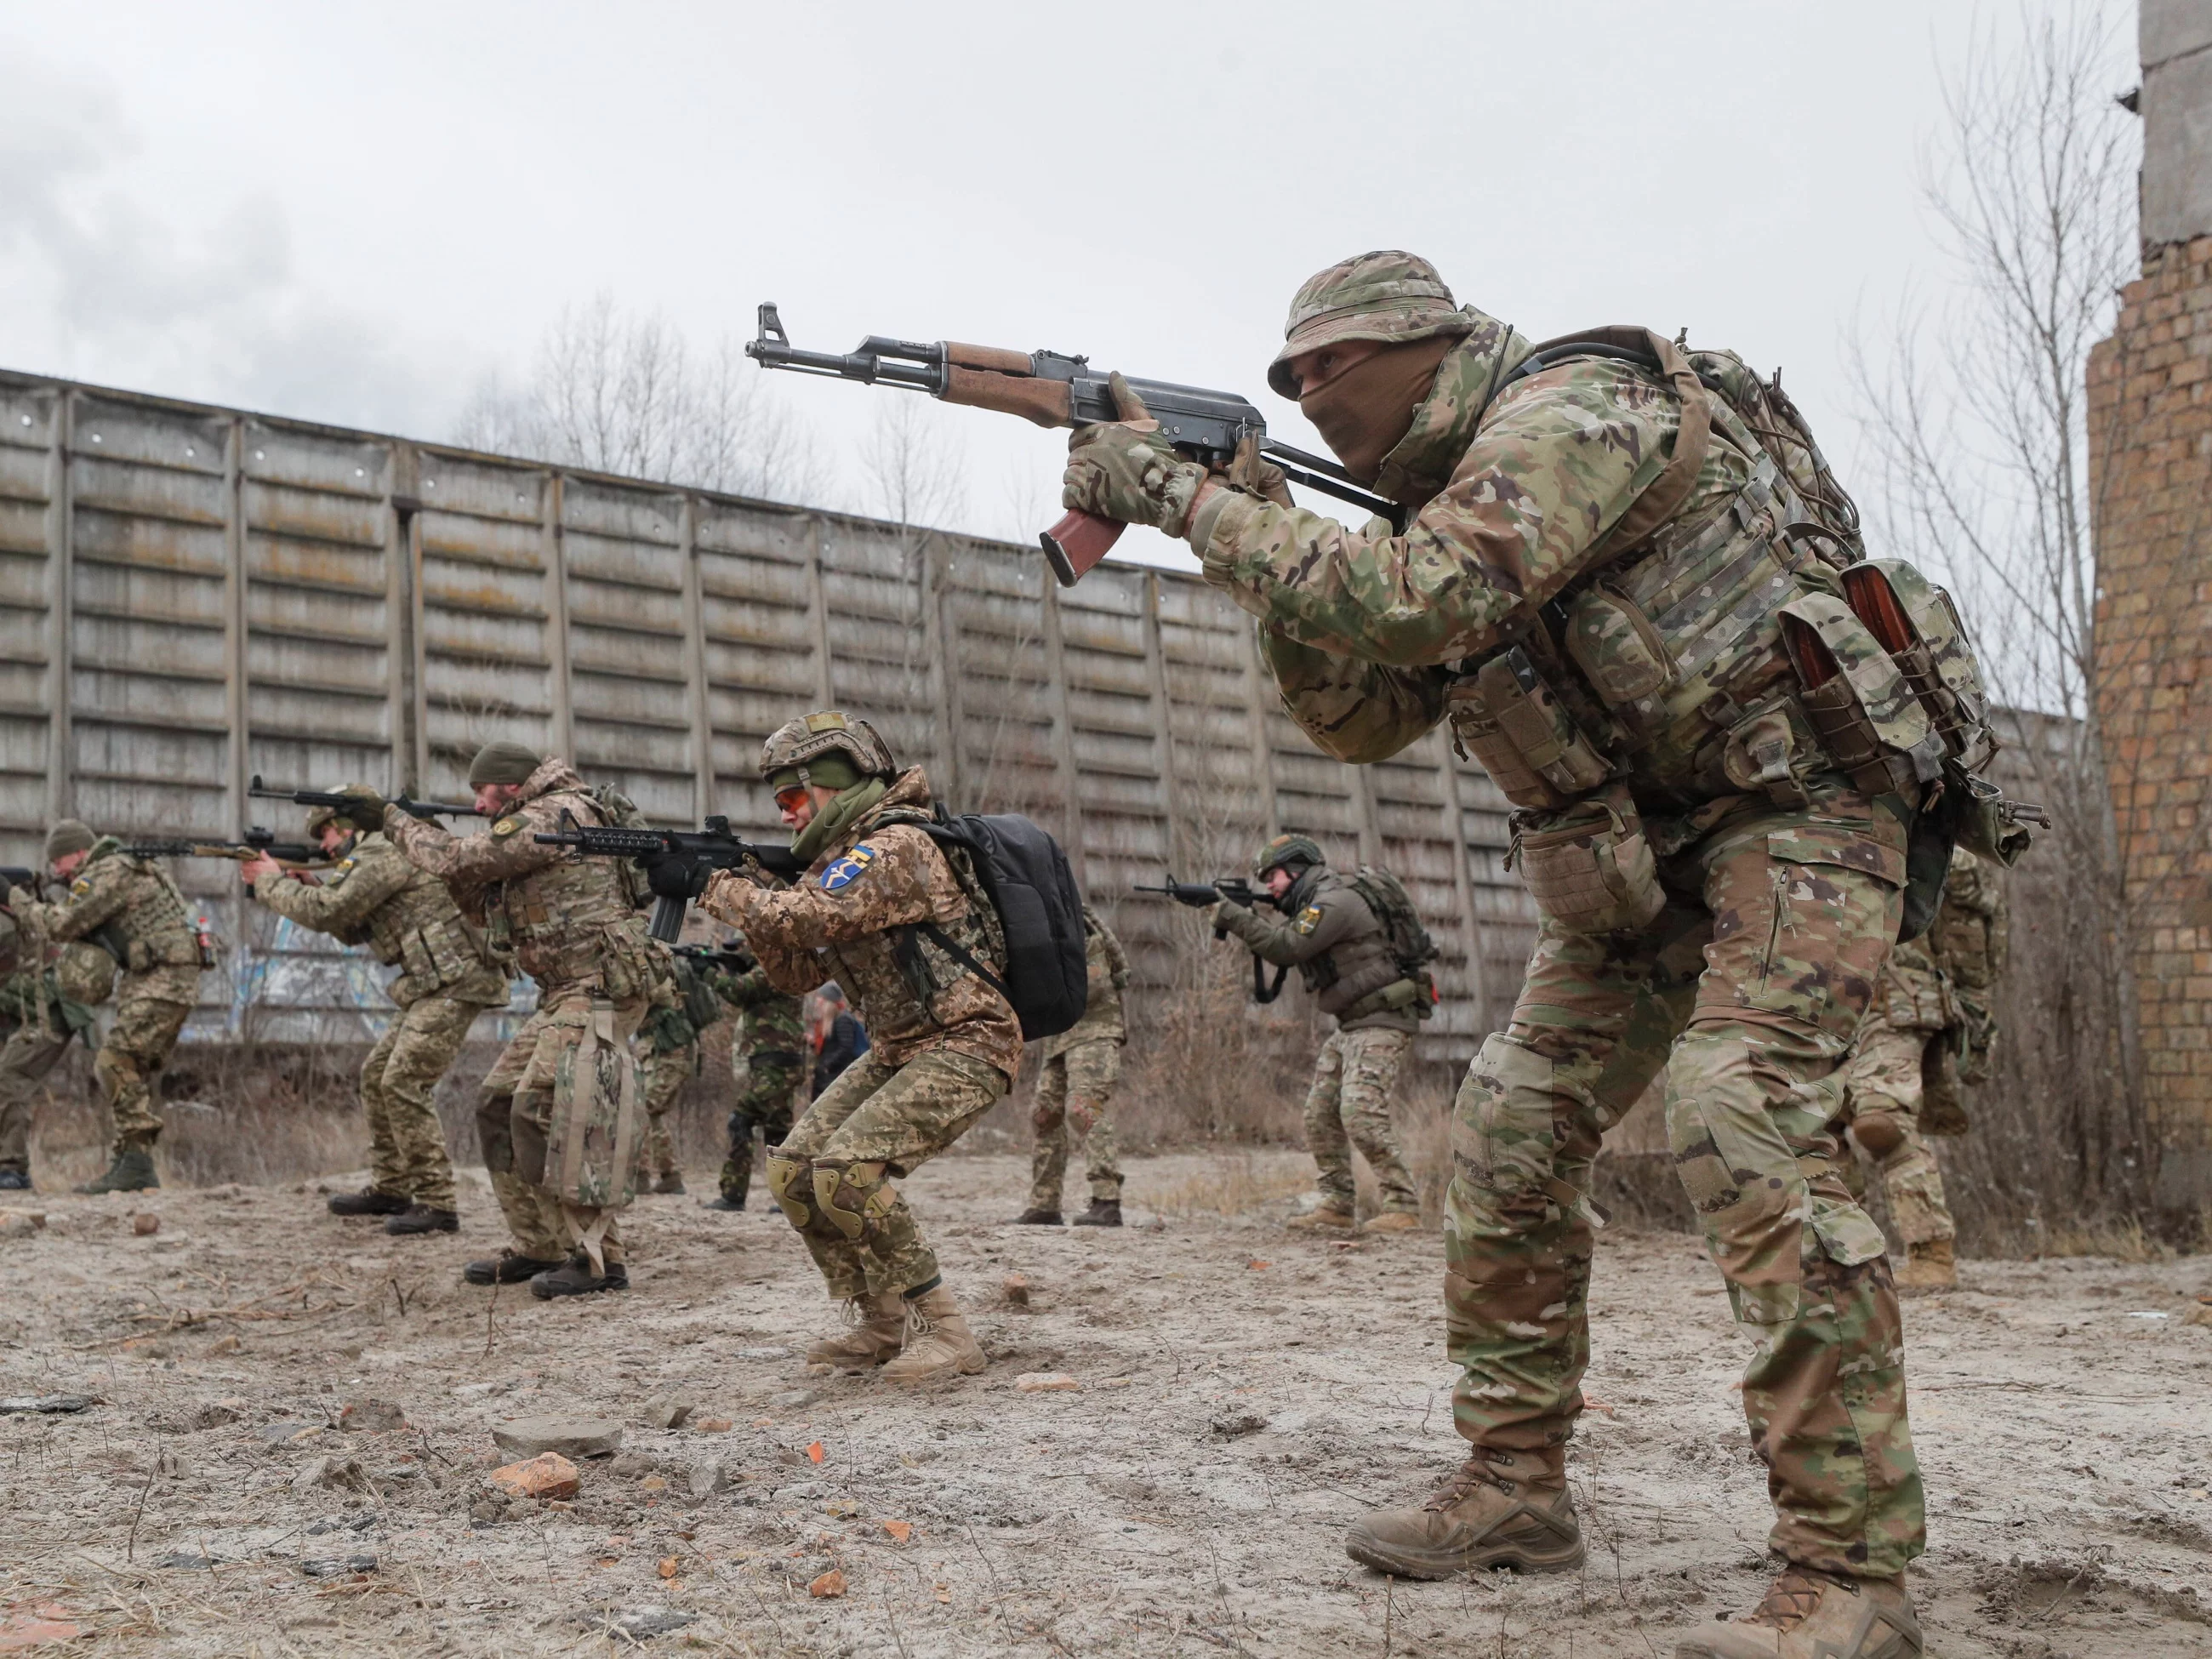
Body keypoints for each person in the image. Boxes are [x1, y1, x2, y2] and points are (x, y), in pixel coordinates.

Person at [1062, 249, 1959, 1656]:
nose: (1306, 390)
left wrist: (1176, 496)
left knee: (1739, 1109)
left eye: (1329, 364)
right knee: (1506, 1126)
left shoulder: (1569, 409)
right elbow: (1362, 712)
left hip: (1802, 810)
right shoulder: (1418, 512)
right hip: (1644, 857)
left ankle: (1847, 1572)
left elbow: (1411, 601)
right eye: (1287, 375)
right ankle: (1515, 1488)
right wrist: (1252, 530)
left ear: (1426, 345)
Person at [697, 711, 1019, 1385]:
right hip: (902, 1047)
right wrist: (756, 901)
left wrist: (731, 891)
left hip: (968, 1041)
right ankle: (880, 1322)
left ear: (834, 786)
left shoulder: (894, 848)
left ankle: (948, 1334)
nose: (785, 816)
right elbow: (797, 974)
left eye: (791, 799)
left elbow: (810, 916)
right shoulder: (839, 865)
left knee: (847, 1171)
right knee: (796, 1173)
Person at [371, 741, 657, 1299]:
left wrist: (393, 821)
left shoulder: (557, 812)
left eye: (481, 792)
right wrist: (442, 852)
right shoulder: (531, 827)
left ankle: (601, 1261)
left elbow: (456, 859)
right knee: (498, 1103)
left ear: (509, 782)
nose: (478, 805)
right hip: (565, 995)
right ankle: (541, 1244)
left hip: (597, 989)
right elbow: (479, 901)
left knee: (550, 1105)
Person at [239, 792, 510, 1236]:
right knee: (377, 1074)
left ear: (348, 826)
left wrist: (270, 882)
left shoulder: (383, 849)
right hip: (434, 983)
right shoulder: (376, 854)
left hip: (457, 981)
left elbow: (329, 913)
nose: (324, 846)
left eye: (325, 832)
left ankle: (437, 1202)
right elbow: (351, 927)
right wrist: (309, 886)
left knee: (403, 1081)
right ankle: (392, 1187)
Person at [1211, 836, 1423, 1234]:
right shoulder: (1314, 903)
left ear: (1296, 870)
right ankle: (1338, 1204)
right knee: (1319, 1115)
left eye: (1272, 876)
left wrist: (1233, 916)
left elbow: (1286, 947)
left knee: (1360, 1115)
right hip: (1352, 1025)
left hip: (1382, 1020)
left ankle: (1404, 1205)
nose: (1269, 886)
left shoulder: (1335, 902)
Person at [1839, 846, 2008, 1291]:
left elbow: (1969, 901)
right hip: (1812, 993)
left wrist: (1975, 1009)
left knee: (1883, 1121)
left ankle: (1932, 1253)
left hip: (1895, 992)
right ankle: (1838, 1257)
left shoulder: (1916, 820)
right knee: (1810, 1125)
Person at [7, 819, 204, 1194]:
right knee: (129, 1067)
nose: (57, 872)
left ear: (79, 852)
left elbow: (62, 924)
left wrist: (14, 898)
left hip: (162, 978)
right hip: (161, 976)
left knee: (113, 1062)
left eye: (60, 862)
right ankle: (132, 1163)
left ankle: (136, 1168)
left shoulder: (108, 870)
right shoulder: (122, 864)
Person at [1013, 904, 1131, 1228]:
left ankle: (1107, 1201)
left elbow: (1093, 985)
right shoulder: (1032, 923)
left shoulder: (1072, 921)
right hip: (1060, 1037)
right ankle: (1044, 1205)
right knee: (1044, 1114)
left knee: (1083, 1108)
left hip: (1096, 1029)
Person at [0, 894, 109, 1192]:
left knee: (10, 1076)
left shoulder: (4, 926)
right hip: (30, 1011)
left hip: (51, 1012)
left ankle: (11, 1170)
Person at [701, 944, 807, 1212]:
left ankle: (736, 1195)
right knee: (776, 1129)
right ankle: (787, 1197)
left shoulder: (776, 967)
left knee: (745, 1120)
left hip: (776, 1062)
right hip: (774, 1062)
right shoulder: (778, 966)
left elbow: (738, 991)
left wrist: (708, 974)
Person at [636, 946, 710, 1198]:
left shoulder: (658, 974)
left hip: (672, 1054)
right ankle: (668, 1176)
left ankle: (642, 1176)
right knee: (650, 1113)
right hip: (662, 1053)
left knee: (644, 1109)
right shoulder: (654, 970)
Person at [810, 981, 868, 1097]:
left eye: (820, 998)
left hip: (836, 1075)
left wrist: (827, 1065)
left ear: (828, 1001)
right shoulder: (830, 1020)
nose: (817, 1002)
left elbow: (846, 1047)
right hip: (829, 1076)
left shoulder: (843, 1020)